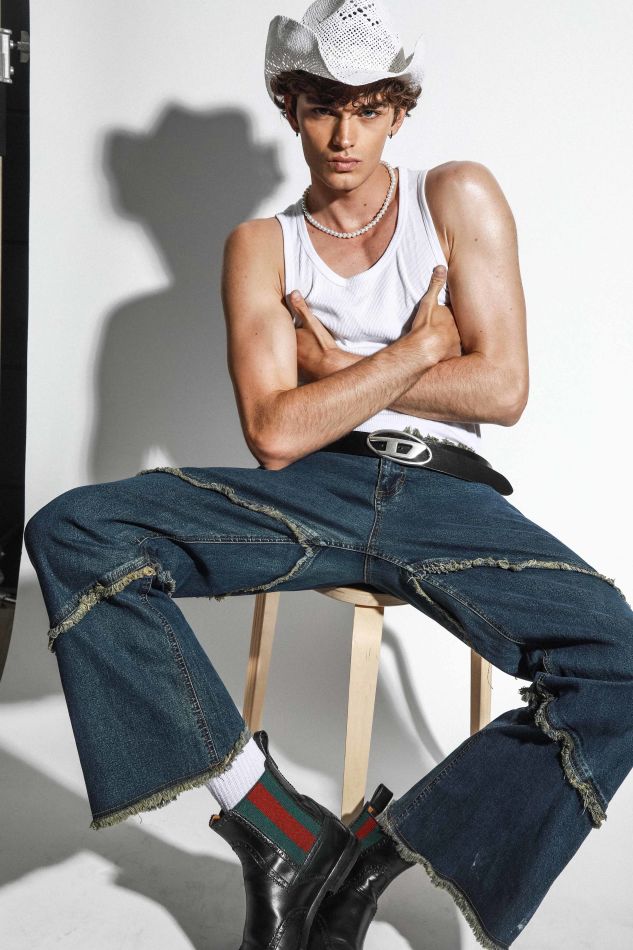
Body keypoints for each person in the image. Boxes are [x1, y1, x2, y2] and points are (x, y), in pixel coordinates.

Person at [23, 2, 633, 949]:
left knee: (617, 658)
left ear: (399, 113)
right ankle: (276, 827)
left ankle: (378, 853)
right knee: (73, 528)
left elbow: (503, 388)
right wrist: (417, 350)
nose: (344, 136)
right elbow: (273, 434)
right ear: (290, 108)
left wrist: (331, 369)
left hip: (447, 495)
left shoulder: (455, 195)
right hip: (315, 490)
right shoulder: (261, 246)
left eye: (368, 109)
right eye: (321, 108)